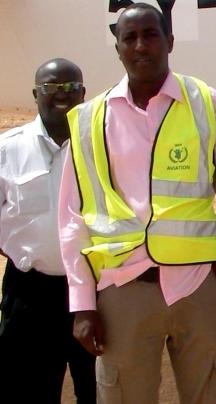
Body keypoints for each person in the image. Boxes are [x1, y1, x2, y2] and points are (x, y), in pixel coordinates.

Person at [58, 4, 216, 403]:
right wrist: (82, 303)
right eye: (129, 37)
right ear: (117, 48)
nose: (140, 45)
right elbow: (71, 218)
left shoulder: (209, 104)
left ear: (169, 41)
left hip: (198, 286)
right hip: (123, 290)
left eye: (150, 35)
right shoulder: (88, 120)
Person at [0, 59, 95, 404]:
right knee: (29, 389)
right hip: (29, 292)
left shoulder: (102, 148)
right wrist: (25, 249)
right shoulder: (7, 149)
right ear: (35, 93)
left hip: (93, 289)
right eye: (52, 87)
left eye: (71, 87)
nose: (62, 94)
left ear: (83, 93)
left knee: (97, 388)